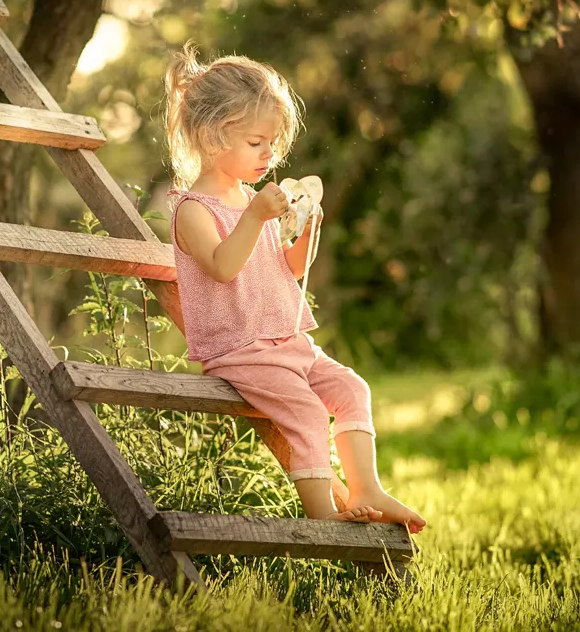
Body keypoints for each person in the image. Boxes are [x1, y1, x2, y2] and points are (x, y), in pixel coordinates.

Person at [163, 42, 426, 533]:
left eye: (273, 143)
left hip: (289, 341)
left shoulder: (254, 199)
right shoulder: (193, 210)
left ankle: (366, 487)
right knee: (306, 412)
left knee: (352, 389)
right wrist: (256, 216)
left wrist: (305, 230)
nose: (271, 154)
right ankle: (323, 514)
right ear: (212, 136)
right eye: (257, 142)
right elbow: (223, 267)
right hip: (240, 350)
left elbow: (289, 267)